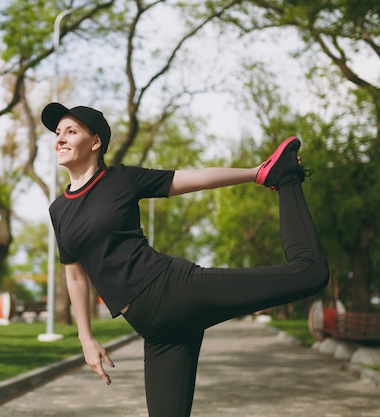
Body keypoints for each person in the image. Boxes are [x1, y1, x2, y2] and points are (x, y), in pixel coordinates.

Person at [41, 102, 329, 417]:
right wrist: (86, 338)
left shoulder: (120, 180)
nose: (60, 139)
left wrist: (257, 174)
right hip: (159, 333)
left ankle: (285, 176)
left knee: (310, 272)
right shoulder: (59, 210)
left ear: (95, 142)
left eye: (71, 131)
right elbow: (75, 275)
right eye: (57, 133)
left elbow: (194, 179)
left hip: (176, 290)